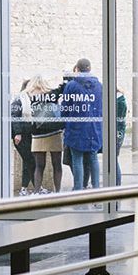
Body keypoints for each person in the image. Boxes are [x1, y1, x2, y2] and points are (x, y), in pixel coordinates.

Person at [61, 59, 104, 191]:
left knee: (77, 159)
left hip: (76, 127)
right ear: (90, 69)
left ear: (77, 70)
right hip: (94, 127)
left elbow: (65, 108)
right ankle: (96, 187)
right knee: (93, 158)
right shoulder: (99, 86)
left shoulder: (72, 86)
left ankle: (78, 188)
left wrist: (64, 123)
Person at [26, 75, 63, 193]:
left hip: (37, 134)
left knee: (39, 166)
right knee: (57, 165)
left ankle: (37, 191)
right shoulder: (51, 94)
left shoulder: (28, 96)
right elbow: (62, 88)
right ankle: (58, 191)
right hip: (54, 131)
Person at [10, 80, 35, 195]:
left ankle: (24, 188)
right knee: (30, 161)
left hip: (29, 135)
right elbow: (14, 117)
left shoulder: (29, 100)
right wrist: (18, 133)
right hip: (21, 136)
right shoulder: (19, 100)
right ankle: (36, 188)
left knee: (28, 161)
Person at [114, 88, 128, 185]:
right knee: (114, 159)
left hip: (116, 133)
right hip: (118, 133)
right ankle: (117, 183)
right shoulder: (121, 100)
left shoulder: (118, 102)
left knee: (113, 159)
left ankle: (117, 184)